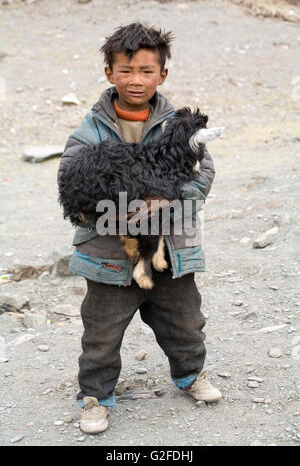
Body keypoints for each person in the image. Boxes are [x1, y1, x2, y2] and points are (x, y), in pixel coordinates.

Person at [57, 22, 222, 435]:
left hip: (171, 247)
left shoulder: (178, 126)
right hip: (109, 254)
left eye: (147, 71)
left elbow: (204, 172)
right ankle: (96, 395)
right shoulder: (91, 128)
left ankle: (190, 375)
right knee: (102, 328)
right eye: (126, 70)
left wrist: (172, 199)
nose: (136, 80)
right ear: (110, 73)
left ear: (162, 74)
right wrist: (111, 210)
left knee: (184, 318)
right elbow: (70, 177)